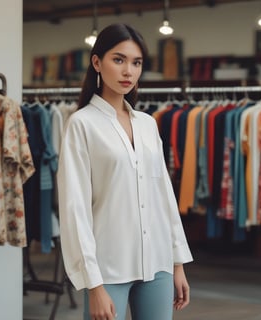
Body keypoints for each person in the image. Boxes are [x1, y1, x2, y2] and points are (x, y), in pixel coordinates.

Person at [57, 23, 193, 320]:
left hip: (157, 263)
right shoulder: (81, 124)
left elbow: (164, 196)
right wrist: (93, 285)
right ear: (97, 63)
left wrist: (177, 263)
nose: (128, 71)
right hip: (108, 268)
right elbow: (75, 208)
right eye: (118, 60)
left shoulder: (147, 123)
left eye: (136, 63)